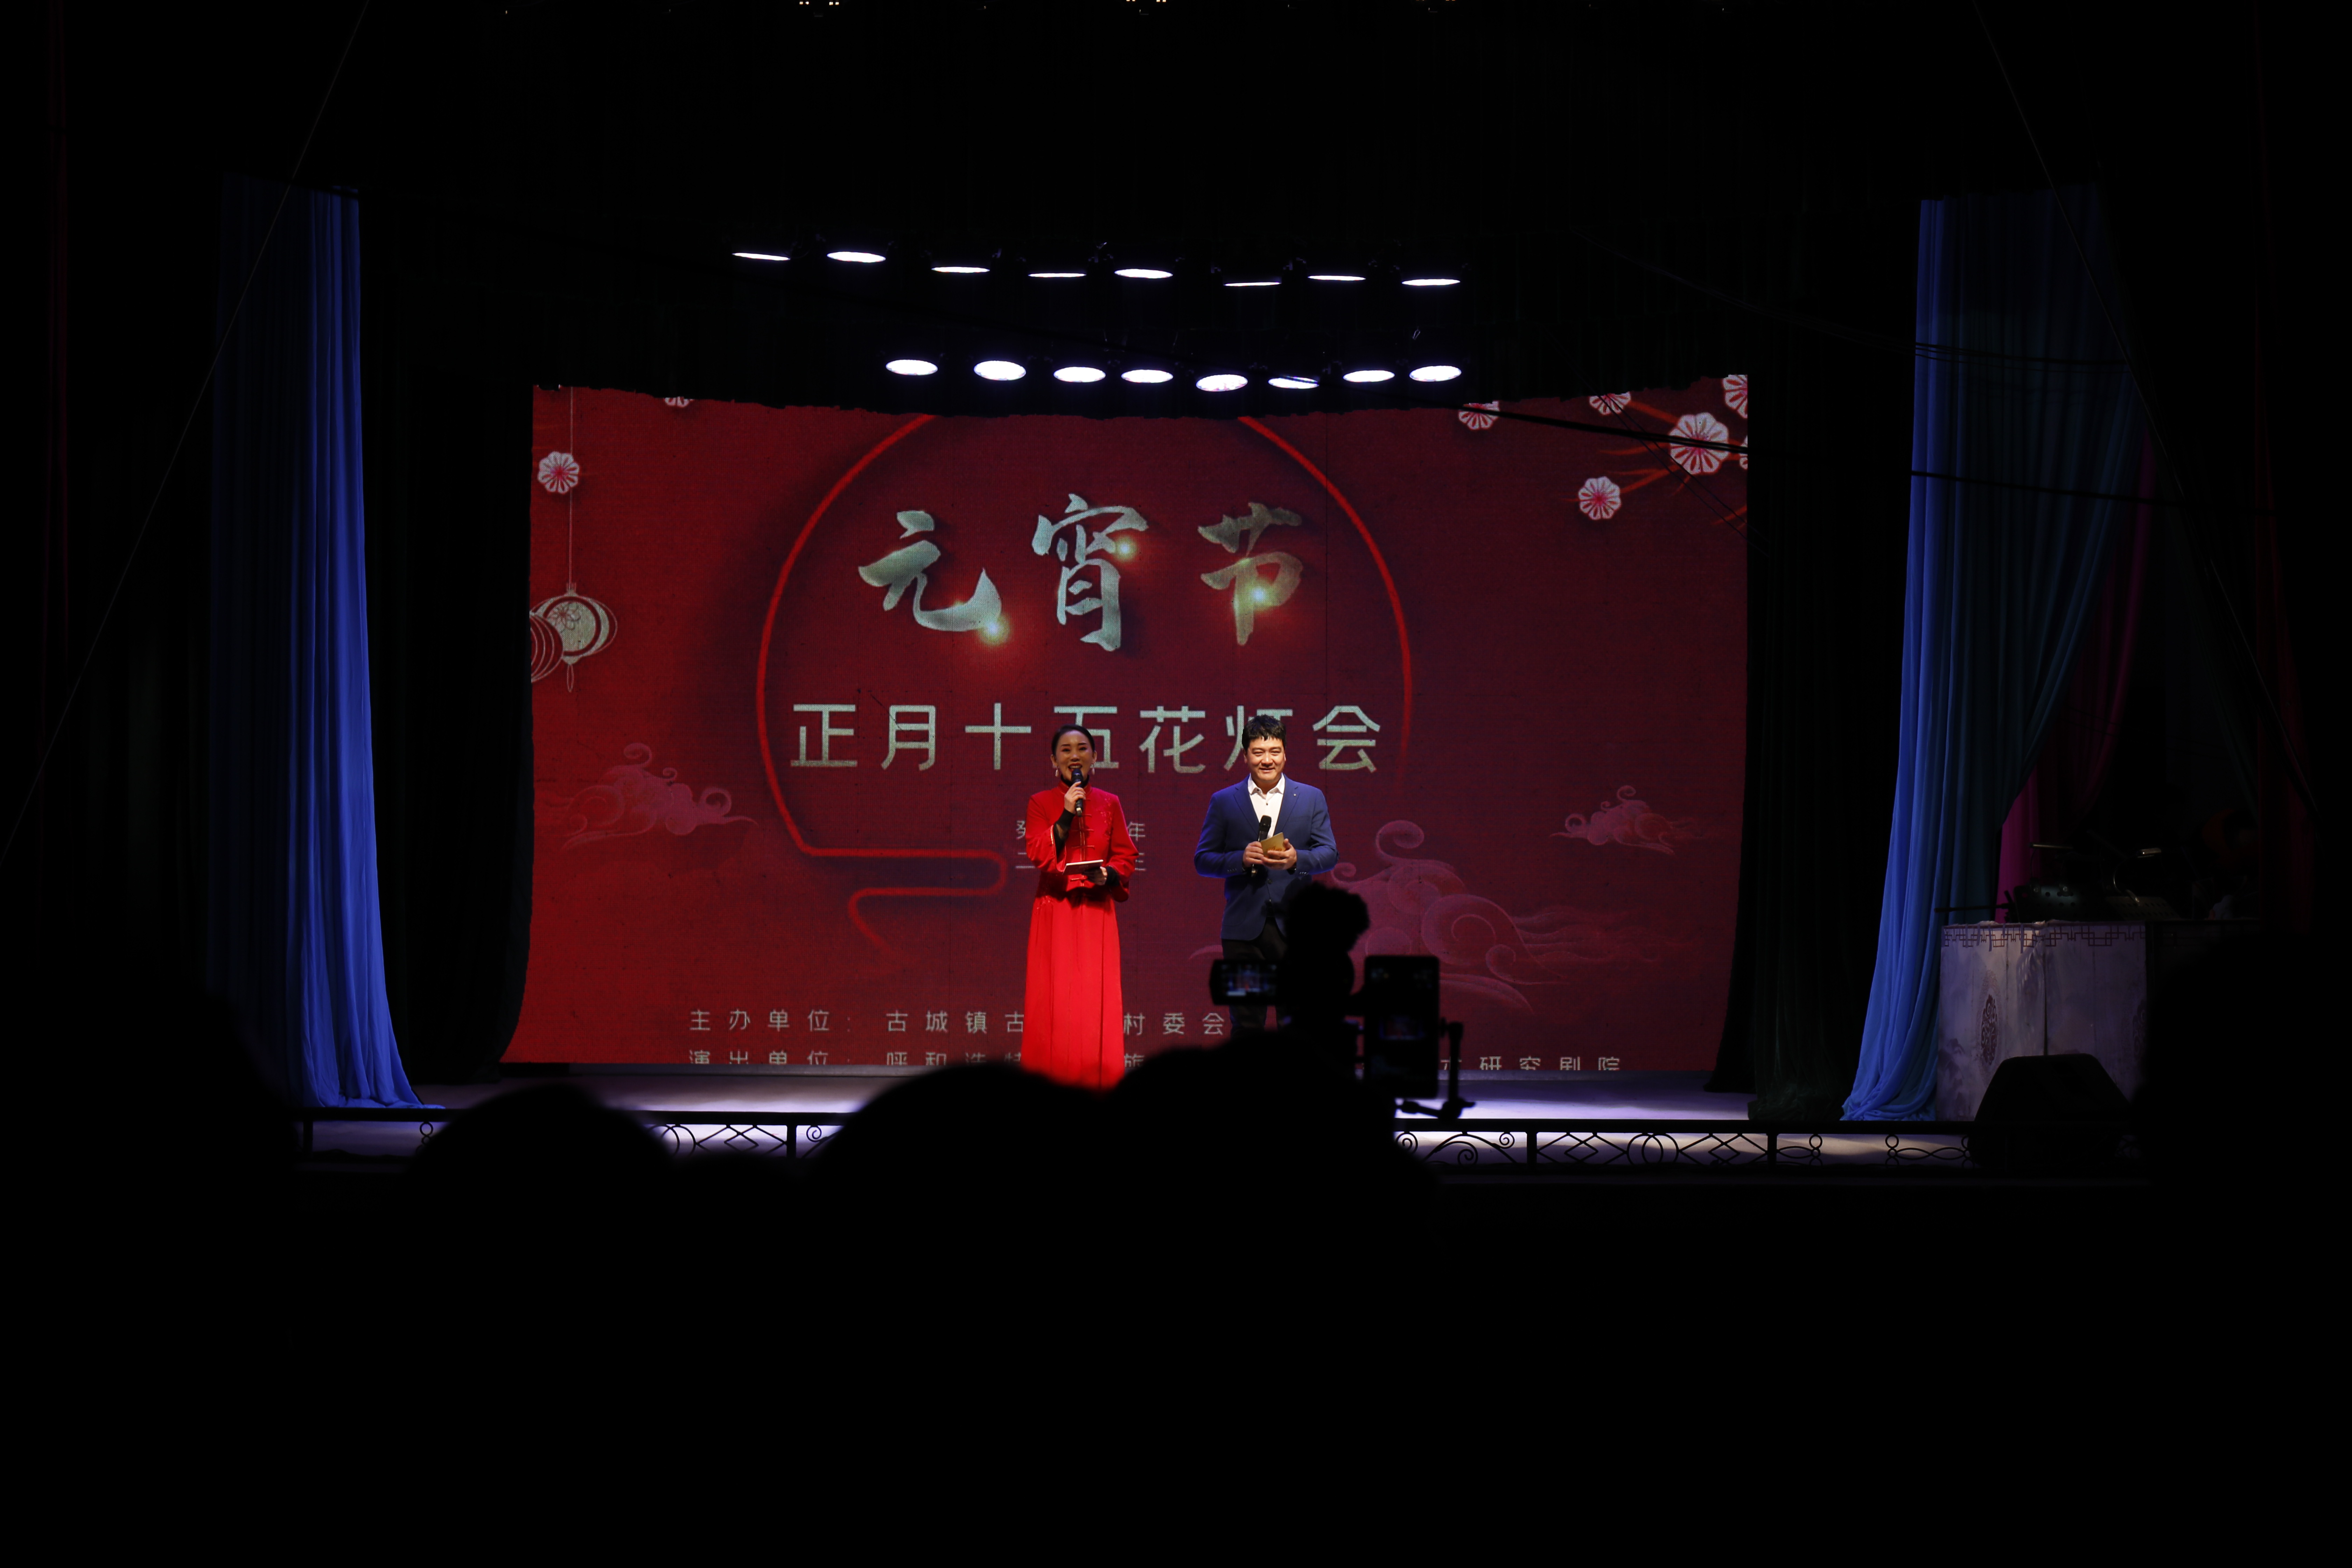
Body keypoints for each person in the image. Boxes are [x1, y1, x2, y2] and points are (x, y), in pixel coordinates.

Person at [1192, 713, 1339, 1030]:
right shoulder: (1224, 801)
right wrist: (1240, 859)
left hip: (1296, 930)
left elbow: (1329, 854)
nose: (1267, 760)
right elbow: (1203, 860)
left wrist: (1296, 859)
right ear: (1245, 756)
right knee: (1246, 1022)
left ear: (1285, 754)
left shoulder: (1311, 798)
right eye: (1258, 752)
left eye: (1275, 752)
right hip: (1243, 932)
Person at [1020, 724, 1139, 1089]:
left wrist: (1110, 875)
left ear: (1095, 757)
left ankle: (1100, 1085)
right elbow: (1038, 853)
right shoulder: (1041, 802)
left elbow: (1126, 856)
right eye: (1066, 750)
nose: (1075, 756)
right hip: (1054, 909)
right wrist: (1067, 814)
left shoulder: (1110, 802)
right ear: (1053, 760)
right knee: (1053, 999)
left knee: (1094, 999)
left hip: (1097, 911)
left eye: (1083, 748)